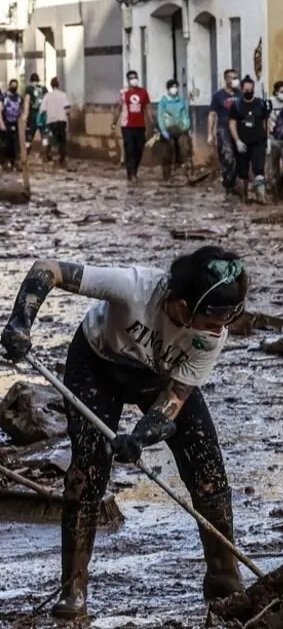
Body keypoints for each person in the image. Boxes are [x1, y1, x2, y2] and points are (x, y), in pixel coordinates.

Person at [0, 247, 250, 619]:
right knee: (89, 468)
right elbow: (48, 269)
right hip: (97, 365)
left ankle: (223, 576)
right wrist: (21, 322)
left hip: (159, 377)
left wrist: (141, 436)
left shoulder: (211, 337)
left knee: (207, 467)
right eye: (215, 316)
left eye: (232, 316)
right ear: (183, 304)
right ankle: (74, 589)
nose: (222, 326)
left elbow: (176, 398)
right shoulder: (134, 287)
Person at [228, 76, 271, 203]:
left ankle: (261, 196)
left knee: (259, 170)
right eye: (246, 90)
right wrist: (237, 140)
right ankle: (244, 196)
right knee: (242, 171)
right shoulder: (236, 105)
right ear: (242, 90)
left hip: (258, 141)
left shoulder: (261, 104)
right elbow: (232, 123)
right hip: (243, 142)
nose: (248, 92)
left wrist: (267, 139)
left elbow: (265, 122)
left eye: (250, 89)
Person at [115, 70, 151, 184]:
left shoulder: (143, 92)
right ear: (128, 80)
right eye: (131, 78)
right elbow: (118, 108)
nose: (134, 79)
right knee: (129, 149)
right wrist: (113, 122)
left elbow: (147, 109)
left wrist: (152, 123)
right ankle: (131, 172)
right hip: (127, 126)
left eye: (135, 77)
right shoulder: (124, 93)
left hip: (140, 126)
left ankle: (135, 169)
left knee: (139, 150)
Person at [207, 70, 239, 198]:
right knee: (227, 155)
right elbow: (212, 114)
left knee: (238, 157)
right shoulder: (218, 96)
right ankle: (228, 185)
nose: (235, 80)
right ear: (226, 80)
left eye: (237, 78)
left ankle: (233, 182)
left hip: (238, 130)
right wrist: (210, 133)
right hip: (223, 129)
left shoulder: (241, 95)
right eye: (233, 78)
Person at [156, 80, 193, 182]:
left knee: (185, 149)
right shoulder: (163, 101)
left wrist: (186, 127)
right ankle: (166, 176)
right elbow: (160, 117)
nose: (175, 89)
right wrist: (163, 130)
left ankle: (187, 175)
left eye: (176, 87)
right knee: (167, 152)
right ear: (168, 89)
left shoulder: (180, 101)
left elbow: (185, 115)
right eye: (173, 87)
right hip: (168, 130)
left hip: (180, 129)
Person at [41, 77, 70, 167]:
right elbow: (68, 109)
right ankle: (63, 159)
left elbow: (42, 109)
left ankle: (55, 159)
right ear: (58, 85)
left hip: (52, 121)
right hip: (62, 120)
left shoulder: (47, 96)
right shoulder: (63, 95)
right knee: (62, 141)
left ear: (51, 85)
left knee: (54, 140)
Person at [2, 79, 23, 169]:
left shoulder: (18, 97)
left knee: (15, 143)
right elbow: (2, 109)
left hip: (16, 122)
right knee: (7, 143)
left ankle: (15, 162)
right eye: (13, 85)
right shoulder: (5, 97)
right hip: (6, 122)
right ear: (9, 86)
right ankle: (5, 161)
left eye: (16, 85)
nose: (14, 87)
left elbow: (21, 109)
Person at [24, 72, 45, 159]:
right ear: (38, 80)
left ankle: (26, 154)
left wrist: (25, 115)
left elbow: (27, 102)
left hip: (32, 115)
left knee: (29, 135)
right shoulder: (44, 89)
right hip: (42, 115)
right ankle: (46, 154)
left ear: (31, 80)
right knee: (44, 135)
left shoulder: (29, 89)